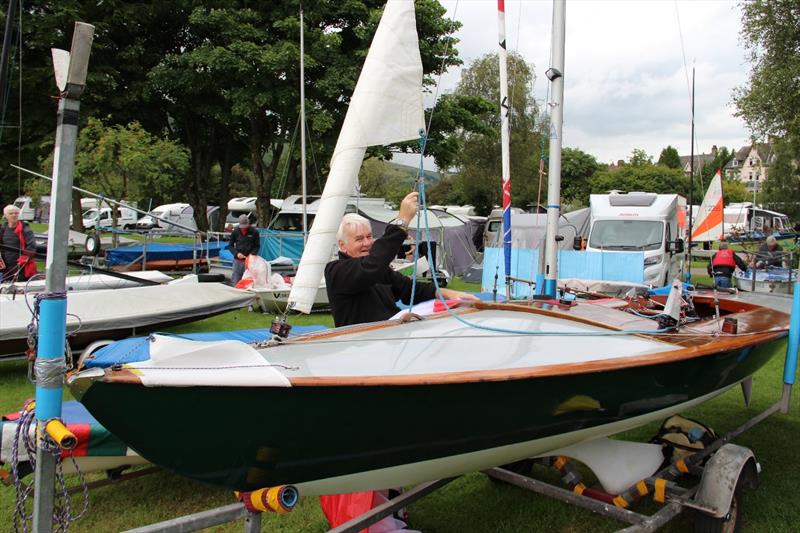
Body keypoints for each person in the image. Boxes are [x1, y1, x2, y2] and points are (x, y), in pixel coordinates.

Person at [325, 191, 478, 328]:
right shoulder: (336, 271)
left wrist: (447, 293)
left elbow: (410, 289)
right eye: (359, 239)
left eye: (369, 236)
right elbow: (372, 267)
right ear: (342, 245)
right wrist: (402, 221)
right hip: (360, 346)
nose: (367, 243)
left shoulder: (379, 270)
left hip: (390, 340)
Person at [0, 204, 37, 282]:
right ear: (6, 216)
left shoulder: (25, 229)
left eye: (16, 213)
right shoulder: (3, 228)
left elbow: (32, 245)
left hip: (21, 265)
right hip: (5, 265)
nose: (14, 215)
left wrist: (25, 258)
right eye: (11, 213)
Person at [228, 214, 260, 285]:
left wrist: (251, 255)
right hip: (238, 261)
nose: (243, 228)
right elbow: (230, 246)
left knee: (248, 281)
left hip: (250, 262)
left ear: (248, 223)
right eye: (242, 227)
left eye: (245, 226)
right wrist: (237, 253)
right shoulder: (235, 232)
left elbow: (257, 246)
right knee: (236, 281)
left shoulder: (255, 232)